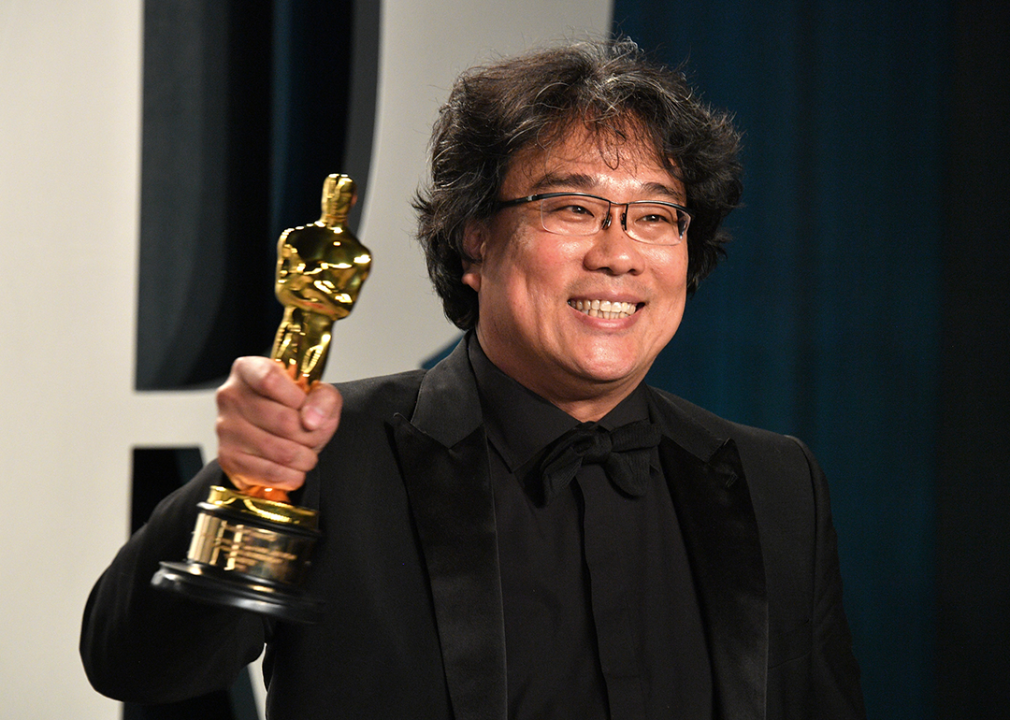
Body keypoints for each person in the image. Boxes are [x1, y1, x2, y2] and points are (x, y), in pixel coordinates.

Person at [81, 38, 865, 720]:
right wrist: (241, 486)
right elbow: (135, 663)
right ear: (474, 242)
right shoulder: (328, 452)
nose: (619, 253)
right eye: (573, 208)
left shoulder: (777, 482)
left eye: (656, 216)